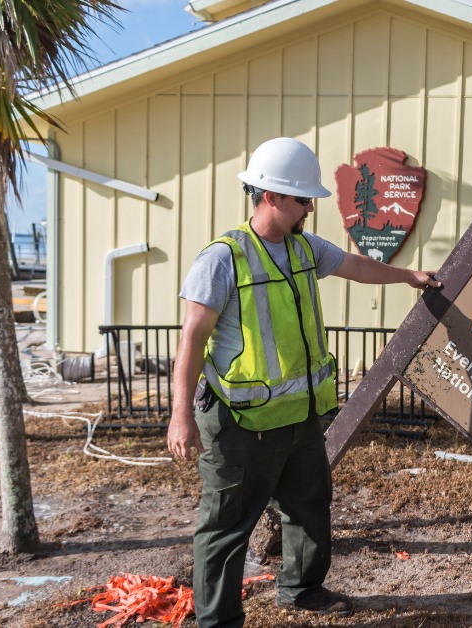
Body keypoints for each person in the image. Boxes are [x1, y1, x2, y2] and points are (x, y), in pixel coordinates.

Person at [167, 137, 441, 627]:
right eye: (301, 199)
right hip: (240, 424)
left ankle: (301, 590)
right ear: (270, 197)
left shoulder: (303, 249)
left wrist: (408, 276)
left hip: (299, 416)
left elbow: (355, 266)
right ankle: (217, 620)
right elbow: (192, 338)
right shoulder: (223, 259)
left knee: (309, 506)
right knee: (226, 527)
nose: (309, 208)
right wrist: (180, 415)